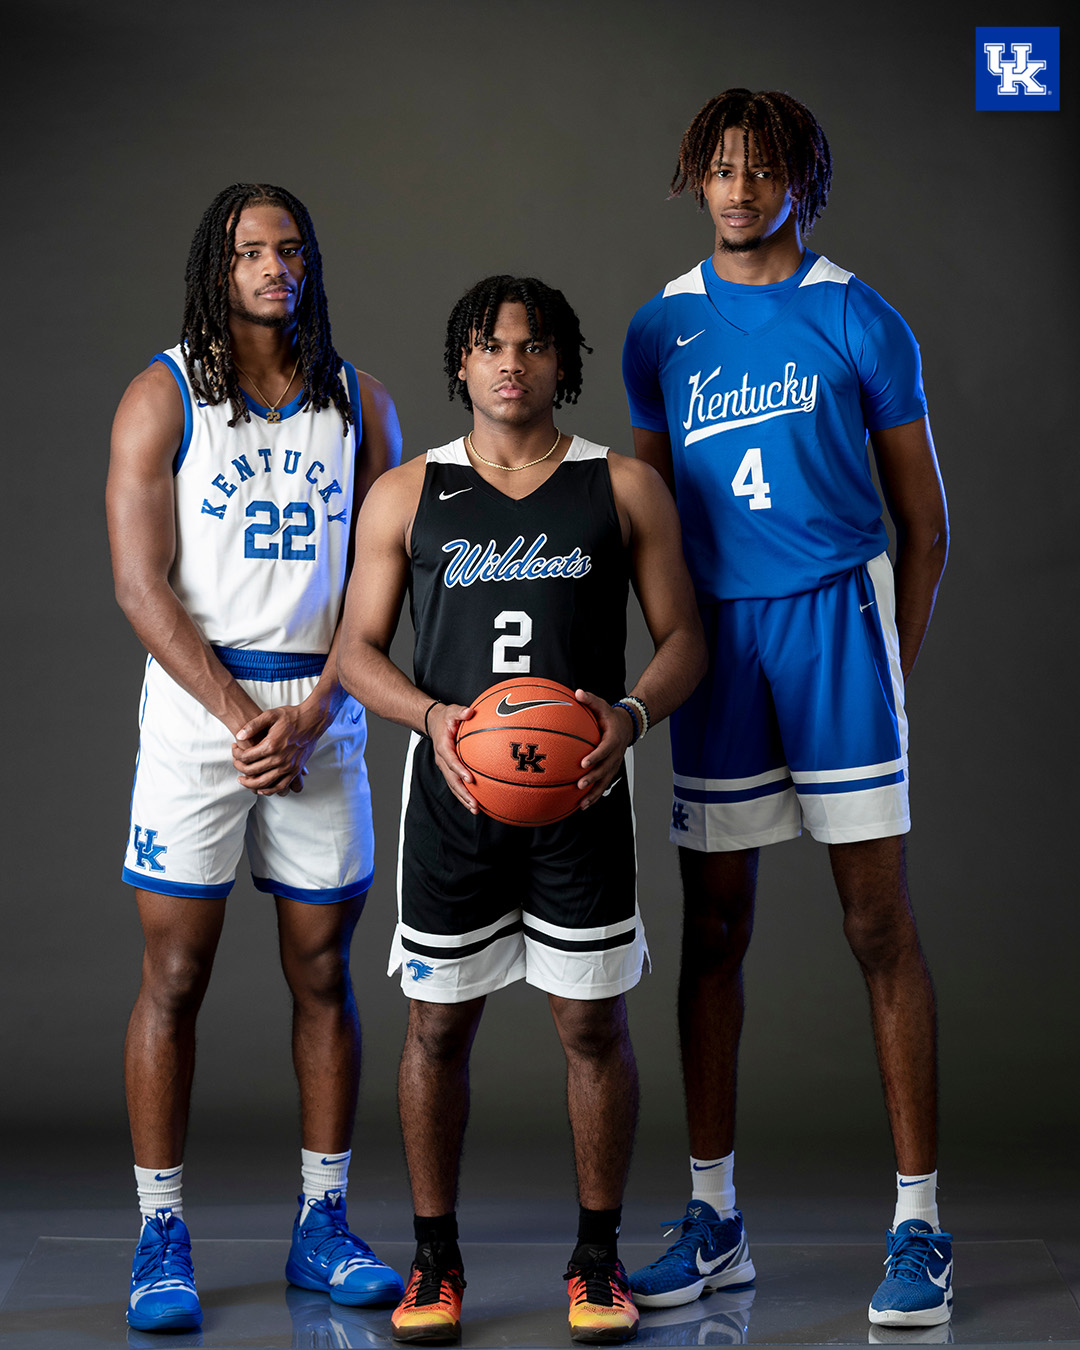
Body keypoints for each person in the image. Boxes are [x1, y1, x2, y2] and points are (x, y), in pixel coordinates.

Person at [621, 90, 951, 1329]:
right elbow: (651, 526)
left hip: (835, 626)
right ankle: (715, 1220)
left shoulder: (861, 316)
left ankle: (921, 1225)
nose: (742, 186)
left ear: (803, 181)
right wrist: (670, 654)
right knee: (713, 933)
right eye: (721, 165)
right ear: (693, 179)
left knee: (878, 924)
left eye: (765, 168)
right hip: (722, 643)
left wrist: (893, 666)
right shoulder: (662, 329)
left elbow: (927, 524)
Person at [337, 274, 707, 1345]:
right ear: (462, 360)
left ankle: (596, 1262)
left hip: (581, 797)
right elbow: (356, 653)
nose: (513, 362)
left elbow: (685, 639)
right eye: (493, 345)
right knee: (436, 1028)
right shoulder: (408, 493)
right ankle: (434, 1260)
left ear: (561, 363)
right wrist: (433, 719)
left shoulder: (622, 486)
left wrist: (631, 719)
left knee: (592, 1024)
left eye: (535, 346)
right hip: (455, 800)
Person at [106, 183, 405, 1333]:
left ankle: (321, 1223)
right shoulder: (162, 392)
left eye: (290, 249)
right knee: (174, 977)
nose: (275, 266)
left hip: (324, 702)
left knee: (324, 972)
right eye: (250, 250)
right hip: (201, 704)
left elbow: (383, 580)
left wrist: (321, 700)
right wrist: (240, 715)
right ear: (216, 266)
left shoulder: (361, 403)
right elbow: (139, 583)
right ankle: (161, 1233)